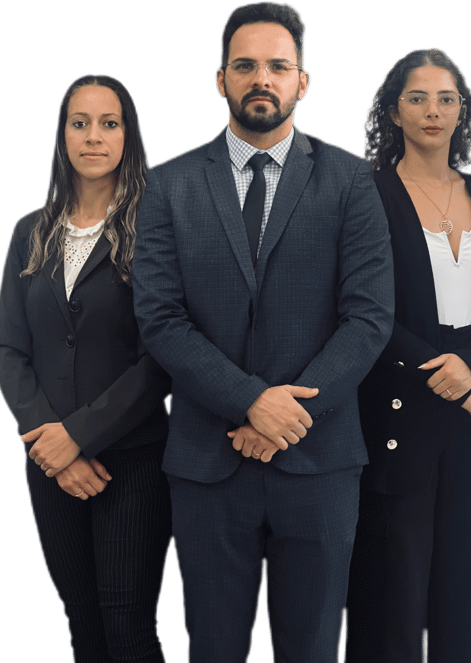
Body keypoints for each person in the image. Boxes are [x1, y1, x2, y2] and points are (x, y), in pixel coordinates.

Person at [132, 2, 394, 661]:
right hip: (207, 464)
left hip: (320, 462)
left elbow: (368, 316)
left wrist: (285, 415)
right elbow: (160, 317)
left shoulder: (352, 182)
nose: (261, 78)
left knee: (312, 648)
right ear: (219, 79)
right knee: (213, 648)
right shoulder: (167, 185)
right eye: (244, 65)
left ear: (302, 81)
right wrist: (251, 401)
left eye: (278, 66)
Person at [345, 48, 471, 663]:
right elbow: (361, 310)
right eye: (418, 98)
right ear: (392, 112)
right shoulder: (366, 194)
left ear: (462, 111)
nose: (433, 110)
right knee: (390, 605)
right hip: (397, 414)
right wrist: (453, 379)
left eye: (447, 99)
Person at [0, 73, 172, 663]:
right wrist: (51, 442)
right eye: (80, 123)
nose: (93, 136)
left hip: (133, 461)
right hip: (49, 464)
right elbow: (7, 347)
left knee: (128, 631)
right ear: (62, 135)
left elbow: (162, 355)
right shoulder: (29, 231)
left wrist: (80, 437)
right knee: (84, 629)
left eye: (108, 124)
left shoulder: (156, 228)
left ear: (128, 136)